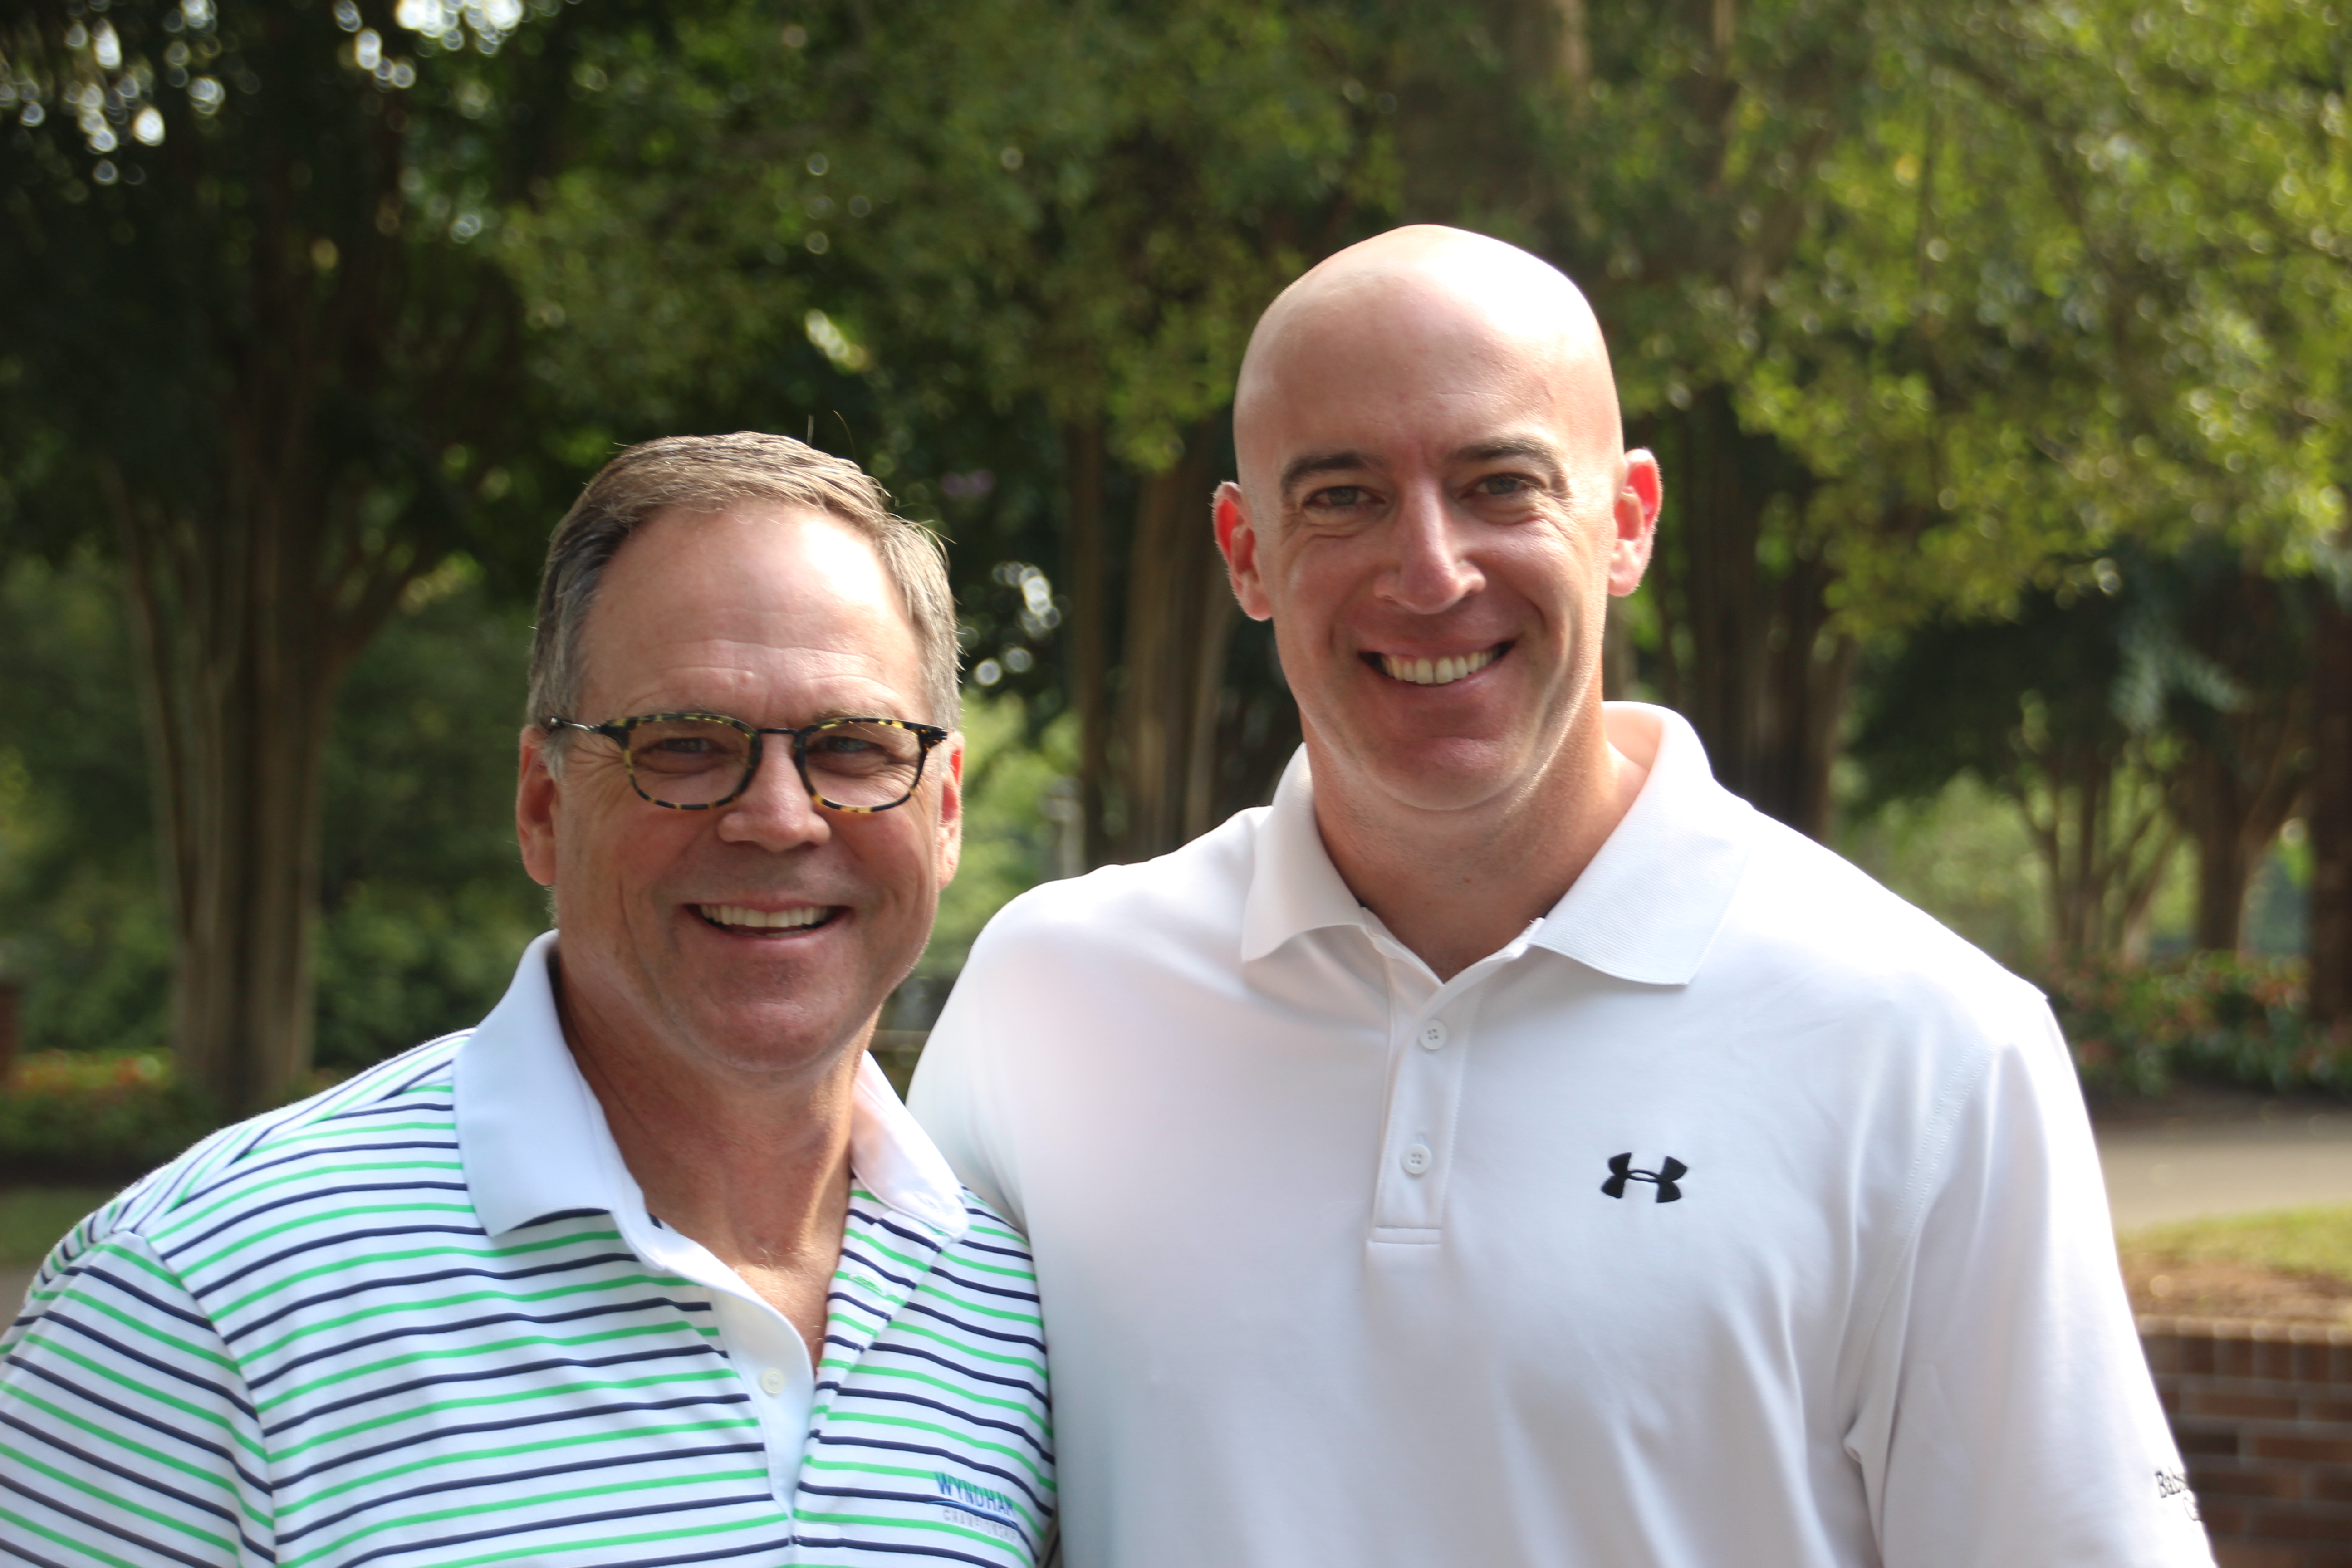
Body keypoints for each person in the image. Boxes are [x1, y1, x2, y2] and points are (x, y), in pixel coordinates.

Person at [909, 228, 2209, 1567]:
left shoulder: (1932, 1050)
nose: (1431, 571)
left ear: (1627, 521)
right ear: (1246, 552)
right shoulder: (1048, 1000)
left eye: (1501, 485)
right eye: (1344, 497)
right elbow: (878, 1498)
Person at [1, 434, 1053, 1567]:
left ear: (945, 812)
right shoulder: (199, 1305)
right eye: (686, 745)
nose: (779, 817)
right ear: (543, 808)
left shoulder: (1009, 1312)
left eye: (853, 748)